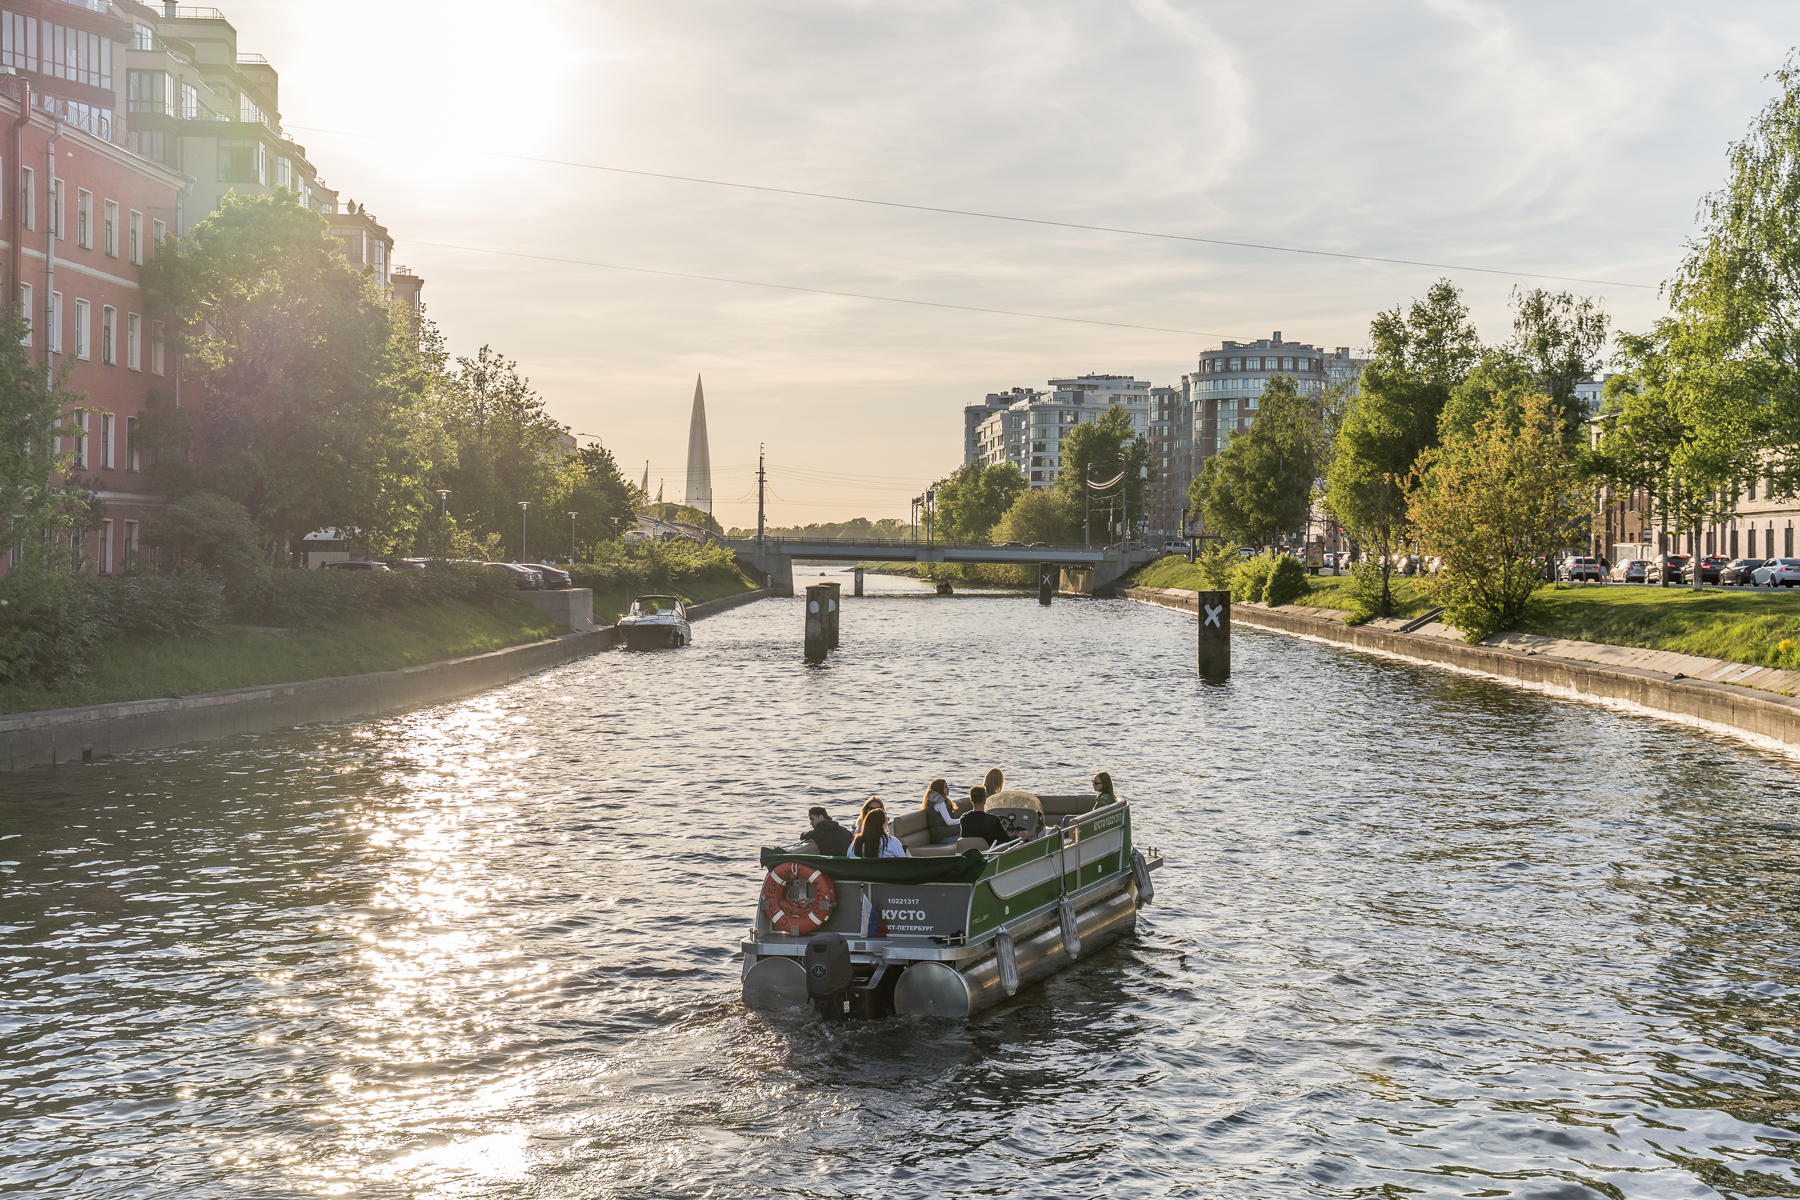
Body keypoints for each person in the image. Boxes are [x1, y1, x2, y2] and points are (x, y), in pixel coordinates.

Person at [921, 778, 959, 845]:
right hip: (942, 838)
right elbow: (949, 822)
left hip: (942, 835)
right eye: (945, 787)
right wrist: (964, 820)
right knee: (970, 838)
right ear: (939, 789)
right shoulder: (939, 802)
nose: (948, 789)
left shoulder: (932, 801)